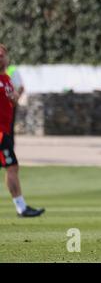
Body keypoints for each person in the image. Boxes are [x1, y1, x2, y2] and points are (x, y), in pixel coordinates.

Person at [0, 44, 45, 217]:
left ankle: (21, 207)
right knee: (12, 167)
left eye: (2, 54)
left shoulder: (6, 78)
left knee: (11, 168)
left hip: (6, 130)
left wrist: (14, 98)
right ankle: (21, 208)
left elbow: (14, 101)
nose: (0, 57)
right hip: (1, 134)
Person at [6, 64, 24, 148]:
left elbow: (20, 87)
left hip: (9, 105)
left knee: (8, 130)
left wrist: (15, 100)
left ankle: (9, 151)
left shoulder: (11, 70)